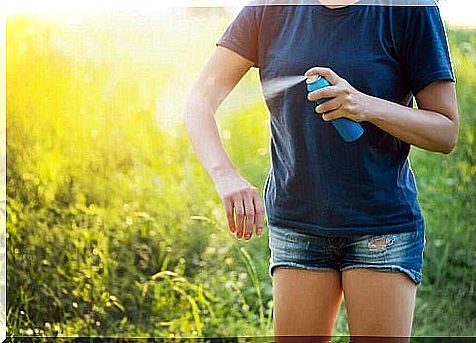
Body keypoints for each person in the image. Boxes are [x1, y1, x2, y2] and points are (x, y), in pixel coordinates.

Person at [184, 0, 458, 341]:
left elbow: (446, 131)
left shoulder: (408, 8)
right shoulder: (270, 8)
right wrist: (226, 176)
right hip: (298, 224)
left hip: (380, 226)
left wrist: (364, 105)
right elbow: (198, 101)